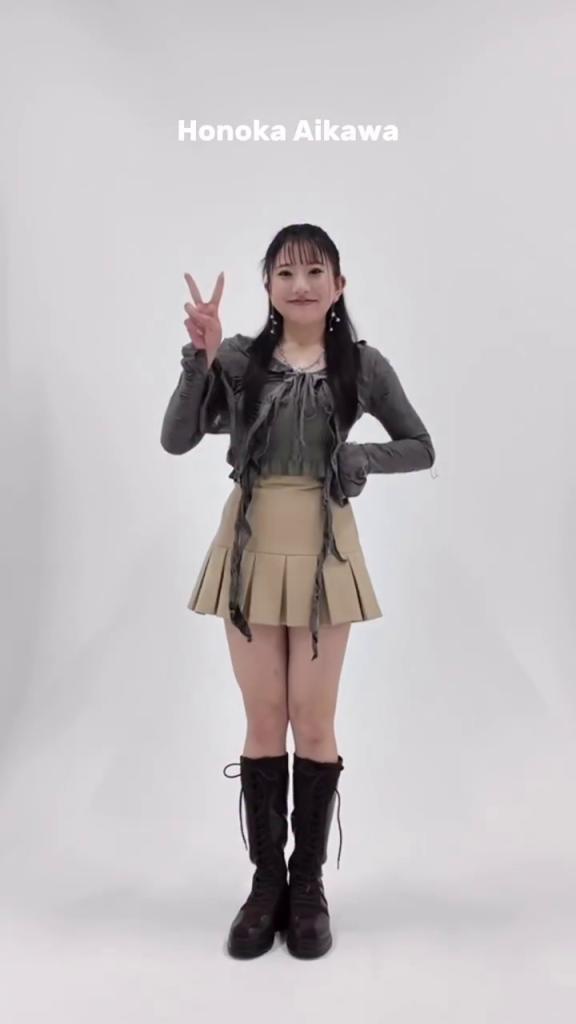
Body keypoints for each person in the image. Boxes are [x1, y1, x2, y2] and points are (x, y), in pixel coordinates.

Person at [160, 223, 435, 961]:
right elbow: (177, 438)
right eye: (286, 272)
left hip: (324, 549)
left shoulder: (363, 366)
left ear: (339, 286)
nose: (302, 284)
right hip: (249, 543)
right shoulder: (241, 359)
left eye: (316, 271)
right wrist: (200, 359)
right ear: (269, 288)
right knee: (264, 718)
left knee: (313, 721)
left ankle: (307, 886)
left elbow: (420, 445)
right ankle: (266, 886)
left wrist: (360, 456)